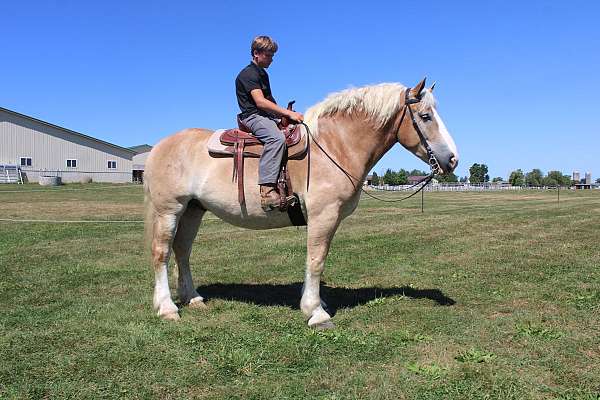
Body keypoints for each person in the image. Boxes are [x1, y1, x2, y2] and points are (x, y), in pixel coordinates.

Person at [235, 35, 304, 211]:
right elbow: (260, 102)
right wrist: (288, 113)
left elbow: (270, 103)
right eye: (269, 55)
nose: (272, 59)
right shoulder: (248, 74)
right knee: (276, 139)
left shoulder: (262, 74)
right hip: (252, 116)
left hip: (264, 116)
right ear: (256, 53)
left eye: (272, 56)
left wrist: (283, 117)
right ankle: (266, 192)